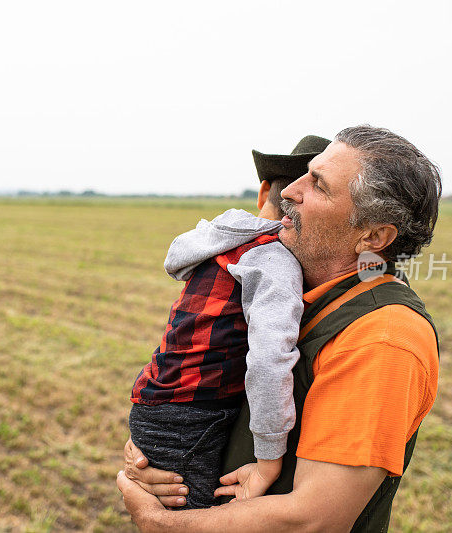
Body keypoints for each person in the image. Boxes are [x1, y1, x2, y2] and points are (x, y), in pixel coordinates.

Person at [118, 125, 441, 532]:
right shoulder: (302, 294)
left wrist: (156, 519)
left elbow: (314, 520)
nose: (287, 192)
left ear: (373, 236)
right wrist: (151, 454)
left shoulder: (383, 338)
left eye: (318, 185)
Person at [128, 135, 331, 509]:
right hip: (192, 414)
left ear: (263, 193)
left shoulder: (218, 242)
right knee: (188, 520)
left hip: (158, 401)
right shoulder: (273, 260)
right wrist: (270, 460)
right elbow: (270, 359)